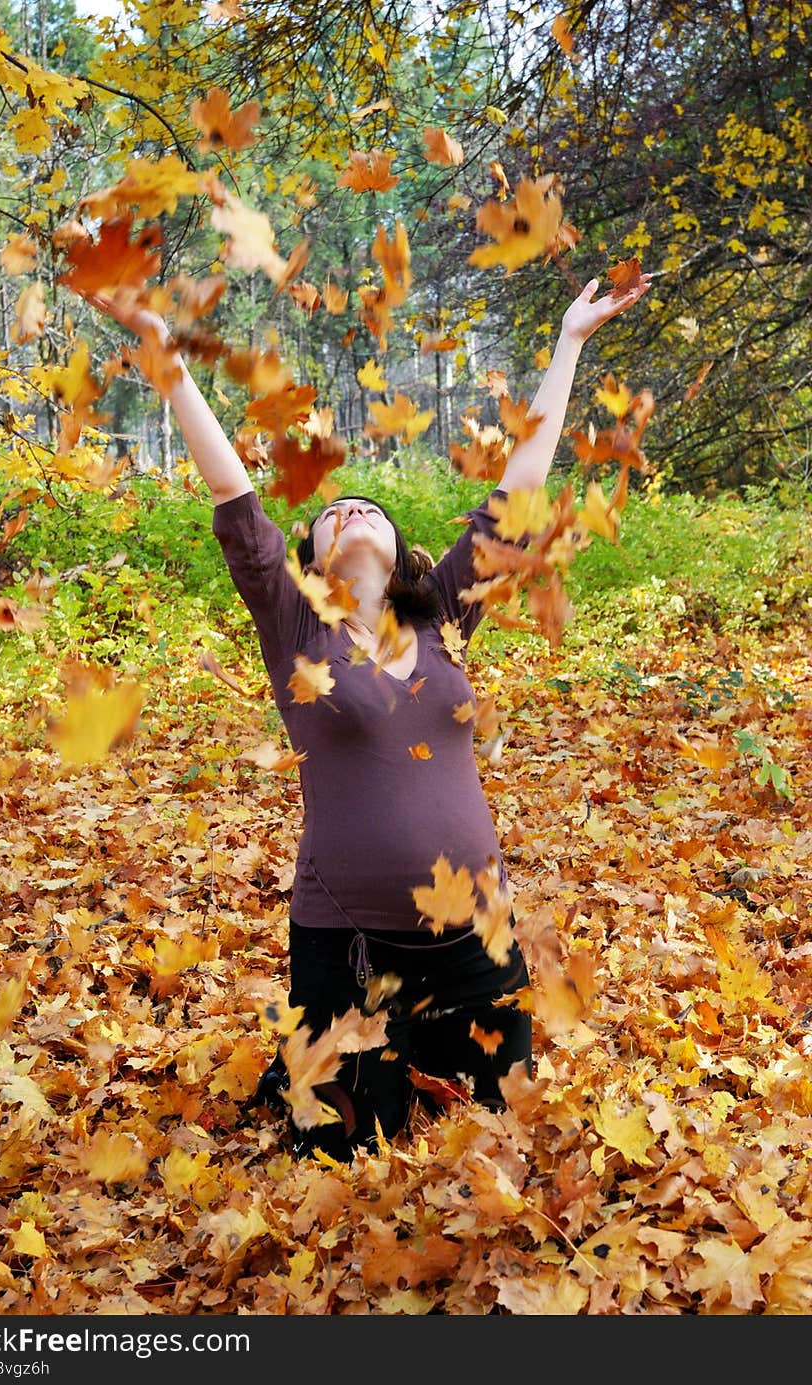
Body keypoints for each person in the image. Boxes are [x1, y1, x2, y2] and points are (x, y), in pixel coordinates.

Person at [80, 268, 651, 1160]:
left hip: (478, 938)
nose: (347, 514)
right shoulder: (295, 624)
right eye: (330, 515)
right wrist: (169, 357)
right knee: (347, 1150)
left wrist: (569, 344)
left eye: (366, 511)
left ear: (397, 549)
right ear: (309, 558)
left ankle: (414, 1045)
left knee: (501, 1127)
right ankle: (336, 1059)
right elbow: (234, 494)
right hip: (348, 945)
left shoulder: (445, 615)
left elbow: (522, 494)